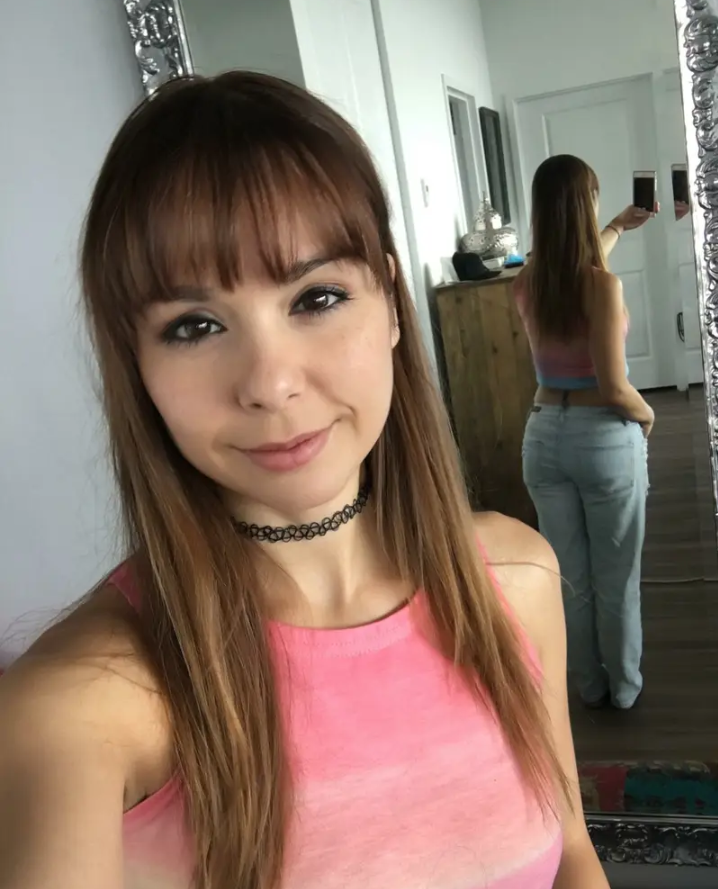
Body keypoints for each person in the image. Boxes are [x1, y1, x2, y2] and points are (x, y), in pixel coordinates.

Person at [0, 74, 608, 889]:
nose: (271, 383)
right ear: (136, 364)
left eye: (317, 297)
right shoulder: (81, 706)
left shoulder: (517, 579)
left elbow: (573, 856)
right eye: (194, 326)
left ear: (390, 303)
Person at [514, 154, 654, 713]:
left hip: (542, 438)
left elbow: (575, 267)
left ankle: (588, 686)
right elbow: (615, 388)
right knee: (617, 577)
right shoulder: (603, 287)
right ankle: (624, 688)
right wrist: (648, 415)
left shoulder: (526, 282)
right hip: (602, 440)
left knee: (570, 577)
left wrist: (618, 225)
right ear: (584, 206)